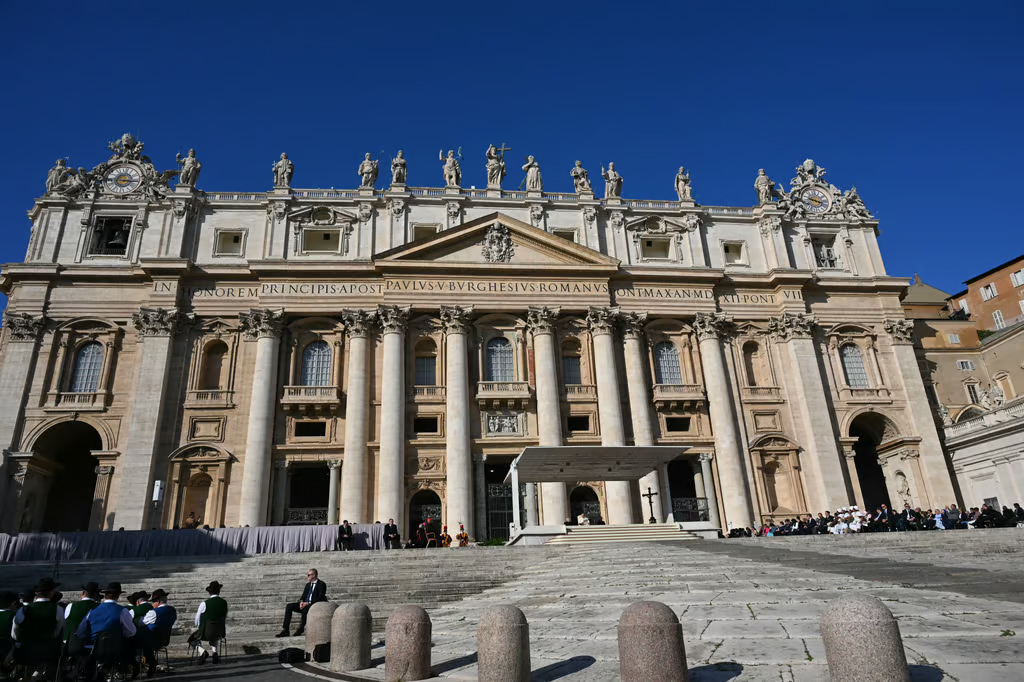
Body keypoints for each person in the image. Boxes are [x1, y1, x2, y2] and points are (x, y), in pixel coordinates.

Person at [77, 582, 136, 676]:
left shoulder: (92, 611)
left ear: (104, 596)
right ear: (118, 596)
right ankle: (124, 669)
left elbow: (81, 631)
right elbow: (131, 632)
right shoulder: (122, 611)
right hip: (114, 648)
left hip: (93, 648)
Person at [13, 577, 64, 673]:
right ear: (52, 592)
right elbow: (58, 631)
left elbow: (15, 632)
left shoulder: (23, 610)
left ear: (37, 593)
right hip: (47, 650)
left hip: (26, 650)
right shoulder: (58, 609)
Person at [277, 569, 326, 638]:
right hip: (306, 604)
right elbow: (303, 596)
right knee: (289, 606)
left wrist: (308, 603)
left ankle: (301, 628)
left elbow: (321, 597)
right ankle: (286, 630)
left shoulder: (321, 584)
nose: (307, 576)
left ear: (314, 575)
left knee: (306, 608)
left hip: (314, 605)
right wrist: (301, 602)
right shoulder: (308, 585)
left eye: (309, 575)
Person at [193, 581, 227, 664]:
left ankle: (202, 652)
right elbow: (224, 617)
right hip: (220, 631)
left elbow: (197, 619)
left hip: (206, 632)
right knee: (214, 635)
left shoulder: (204, 604)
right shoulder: (224, 603)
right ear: (219, 591)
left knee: (192, 639)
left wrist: (199, 627)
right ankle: (215, 652)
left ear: (209, 592)